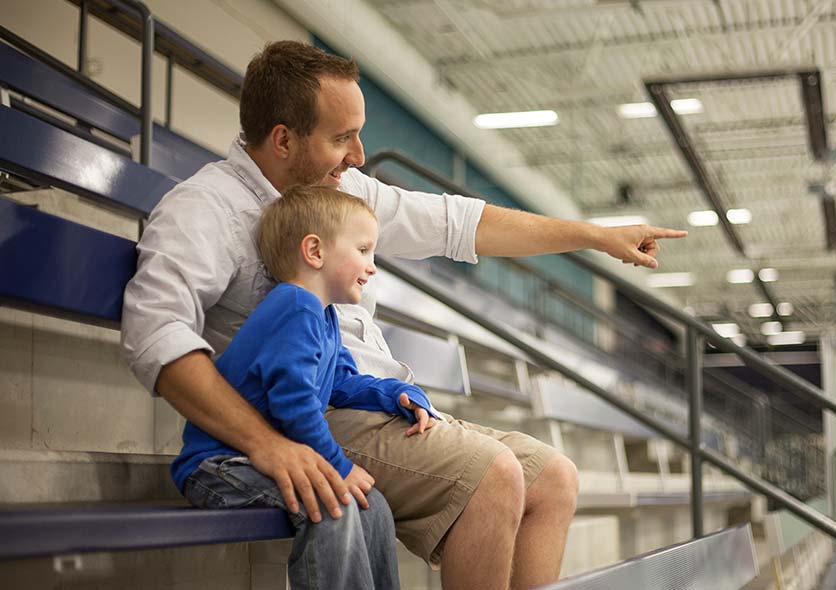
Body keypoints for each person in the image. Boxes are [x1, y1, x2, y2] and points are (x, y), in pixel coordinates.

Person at [121, 40, 687, 590]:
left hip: (368, 396)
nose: (360, 155)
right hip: (303, 415)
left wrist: (594, 236)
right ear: (284, 139)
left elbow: (459, 224)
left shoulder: (339, 188)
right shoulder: (204, 209)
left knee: (554, 478)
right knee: (495, 473)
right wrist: (268, 444)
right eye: (343, 137)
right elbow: (156, 331)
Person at [173, 187, 439, 590]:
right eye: (364, 250)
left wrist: (396, 395)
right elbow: (293, 405)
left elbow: (343, 383)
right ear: (314, 251)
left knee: (374, 507)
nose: (372, 267)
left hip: (256, 464)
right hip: (217, 467)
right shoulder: (294, 307)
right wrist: (339, 465)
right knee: (337, 503)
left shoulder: (324, 316)